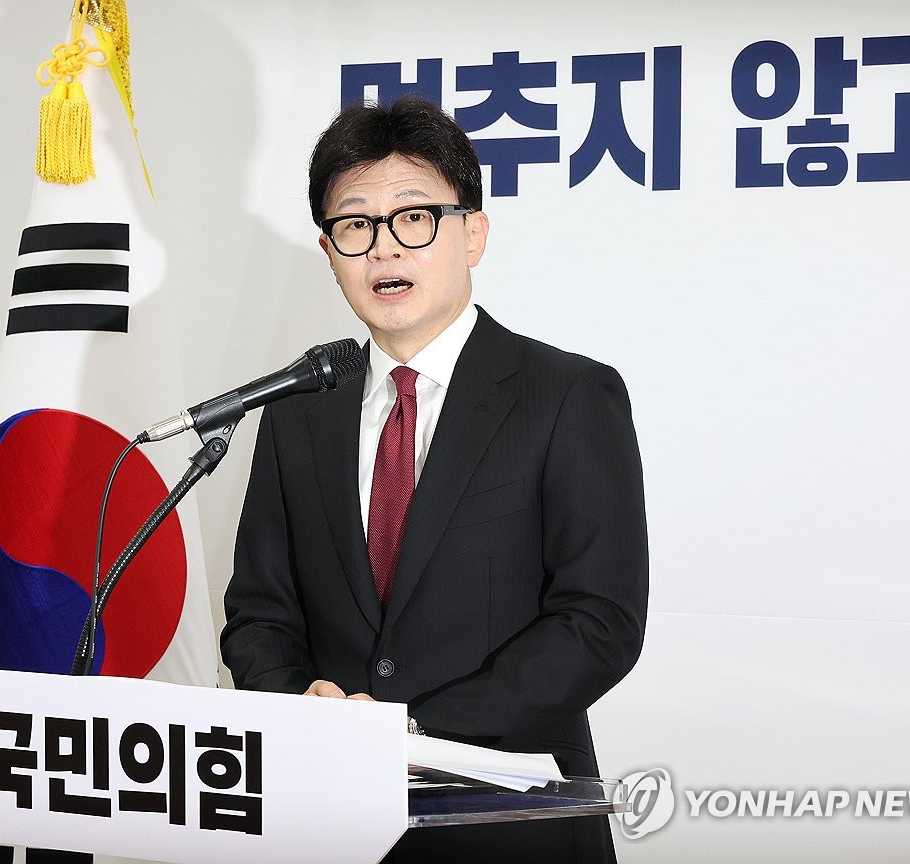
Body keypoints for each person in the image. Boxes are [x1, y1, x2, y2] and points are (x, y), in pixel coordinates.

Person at [221, 95, 648, 863]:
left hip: (510, 822)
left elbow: (599, 622)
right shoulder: (298, 408)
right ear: (328, 252)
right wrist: (296, 705)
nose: (384, 249)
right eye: (354, 225)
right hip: (328, 823)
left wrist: (411, 730)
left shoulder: (566, 395)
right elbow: (258, 614)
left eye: (414, 217)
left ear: (473, 232)